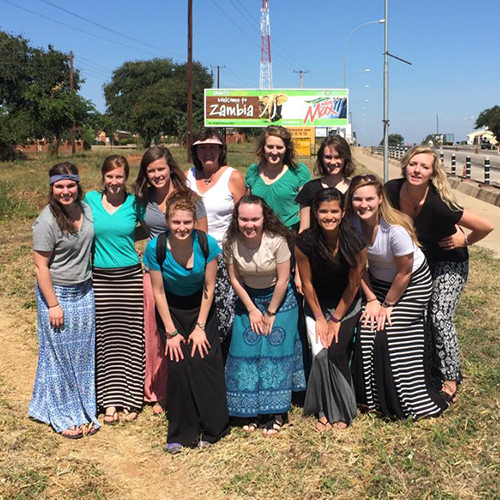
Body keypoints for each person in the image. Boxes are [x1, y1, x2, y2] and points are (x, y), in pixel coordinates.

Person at [385, 146, 494, 403]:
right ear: (405, 165)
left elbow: (486, 226)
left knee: (439, 314)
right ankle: (429, 367)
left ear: (432, 173)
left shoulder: (438, 203)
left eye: (424, 167)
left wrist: (464, 241)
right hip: (420, 265)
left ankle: (450, 377)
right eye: (413, 164)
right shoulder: (391, 190)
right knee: (422, 316)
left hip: (450, 262)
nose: (417, 170)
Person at [347, 174, 448, 420]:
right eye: (357, 199)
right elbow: (358, 268)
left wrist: (387, 306)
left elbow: (404, 272)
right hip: (379, 284)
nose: (364, 205)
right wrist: (371, 300)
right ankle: (371, 399)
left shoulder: (395, 230)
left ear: (380, 199)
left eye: (369, 199)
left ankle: (409, 398)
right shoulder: (352, 224)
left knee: (387, 330)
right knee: (367, 327)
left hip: (412, 285)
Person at [143, 191, 229, 453]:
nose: (182, 228)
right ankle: (182, 433)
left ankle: (215, 427)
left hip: (201, 307)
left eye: (187, 223)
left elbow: (209, 286)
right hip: (171, 310)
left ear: (194, 222)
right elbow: (158, 292)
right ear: (168, 221)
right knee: (178, 366)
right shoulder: (155, 247)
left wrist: (201, 327)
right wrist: (170, 332)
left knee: (205, 362)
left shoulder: (206, 244)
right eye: (176, 222)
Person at [223, 195, 306, 435]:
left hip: (279, 301)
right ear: (237, 220)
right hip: (248, 299)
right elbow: (235, 279)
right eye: (244, 219)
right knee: (245, 346)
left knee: (273, 345)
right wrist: (251, 309)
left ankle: (276, 411)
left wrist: (270, 313)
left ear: (264, 218)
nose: (249, 224)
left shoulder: (277, 241)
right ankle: (248, 411)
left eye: (255, 219)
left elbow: (283, 280)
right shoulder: (231, 242)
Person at [135, 145, 207, 414]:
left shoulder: (191, 198)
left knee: (186, 331)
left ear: (170, 168)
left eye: (161, 169)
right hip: (154, 273)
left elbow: (203, 238)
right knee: (156, 333)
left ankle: (185, 385)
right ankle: (158, 390)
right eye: (151, 170)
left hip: (186, 275)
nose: (157, 175)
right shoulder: (144, 200)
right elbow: (142, 230)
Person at [29, 163, 100, 439]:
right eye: (59, 186)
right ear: (52, 188)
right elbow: (41, 267)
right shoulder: (47, 221)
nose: (65, 191)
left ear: (78, 185)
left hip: (85, 290)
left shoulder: (87, 210)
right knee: (58, 356)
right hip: (57, 293)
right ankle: (61, 414)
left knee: (82, 354)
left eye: (70, 185)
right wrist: (53, 304)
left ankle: (82, 407)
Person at [295, 189, 366, 430]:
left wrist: (335, 318)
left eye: (334, 211)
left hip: (346, 305)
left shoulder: (355, 242)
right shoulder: (304, 242)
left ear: (343, 212)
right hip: (316, 305)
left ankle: (342, 409)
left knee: (333, 350)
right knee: (319, 352)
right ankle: (324, 410)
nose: (329, 216)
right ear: (315, 213)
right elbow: (307, 284)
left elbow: (354, 284)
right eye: (323, 211)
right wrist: (319, 317)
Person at [84, 155, 145, 424]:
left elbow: (150, 227)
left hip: (130, 276)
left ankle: (132, 398)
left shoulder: (135, 203)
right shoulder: (90, 200)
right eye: (110, 176)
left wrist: (129, 237)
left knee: (132, 337)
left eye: (119, 176)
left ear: (126, 178)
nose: (114, 182)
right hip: (100, 278)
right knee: (106, 338)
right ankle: (108, 400)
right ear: (103, 177)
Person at [187, 128, 246, 355]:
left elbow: (243, 219)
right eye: (202, 147)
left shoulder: (233, 176)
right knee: (198, 310)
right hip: (193, 256)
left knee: (224, 315)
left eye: (212, 147)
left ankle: (222, 365)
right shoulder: (187, 177)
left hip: (224, 255)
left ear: (222, 150)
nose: (207, 152)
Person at [245, 125, 311, 231]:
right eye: (270, 147)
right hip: (260, 235)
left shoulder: (298, 172)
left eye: (279, 147)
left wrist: (302, 236)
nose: (275, 152)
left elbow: (307, 208)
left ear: (286, 149)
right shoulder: (253, 172)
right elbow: (246, 205)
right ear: (263, 147)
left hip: (290, 234)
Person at [297, 135, 354, 232]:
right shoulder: (309, 188)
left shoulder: (354, 188)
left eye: (337, 157)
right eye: (328, 157)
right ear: (321, 159)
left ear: (346, 159)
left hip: (349, 245)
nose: (333, 162)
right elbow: (304, 229)